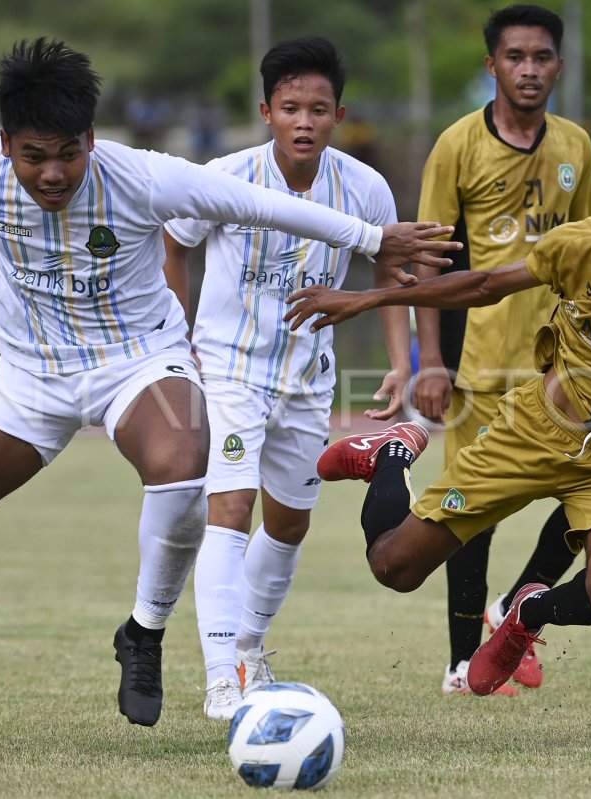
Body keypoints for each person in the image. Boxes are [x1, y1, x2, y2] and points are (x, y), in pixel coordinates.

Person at [0, 39, 456, 726]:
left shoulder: (140, 175)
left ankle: (143, 632)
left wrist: (369, 239)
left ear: (91, 139)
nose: (52, 173)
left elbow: (254, 203)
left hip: (137, 363)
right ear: (4, 144)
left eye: (69, 155)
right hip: (29, 376)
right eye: (34, 156)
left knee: (181, 465)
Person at [286, 134, 591, 696]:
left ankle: (528, 612)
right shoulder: (581, 245)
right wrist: (368, 300)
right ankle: (388, 456)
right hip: (531, 431)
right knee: (395, 569)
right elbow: (484, 284)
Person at [162, 36, 413, 721]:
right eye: (291, 107)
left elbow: (391, 272)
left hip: (309, 377)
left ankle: (250, 646)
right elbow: (173, 244)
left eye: (319, 108)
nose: (305, 120)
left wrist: (402, 361)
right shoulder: (224, 176)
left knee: (292, 522)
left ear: (338, 114)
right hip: (229, 370)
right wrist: (177, 342)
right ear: (266, 110)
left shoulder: (365, 187)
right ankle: (221, 675)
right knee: (231, 510)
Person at [411, 4, 591, 697]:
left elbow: (589, 258)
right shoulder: (457, 145)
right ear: (492, 65)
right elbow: (427, 264)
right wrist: (431, 360)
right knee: (471, 516)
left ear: (559, 65)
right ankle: (463, 662)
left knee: (587, 499)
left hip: (560, 371)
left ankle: (516, 601)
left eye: (541, 56)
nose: (528, 69)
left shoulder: (576, 144)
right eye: (514, 57)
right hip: (480, 368)